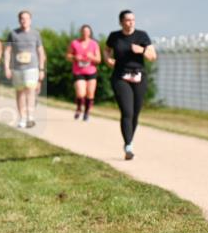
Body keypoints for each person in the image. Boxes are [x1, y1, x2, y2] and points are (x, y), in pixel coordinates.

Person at [104, 10, 156, 160]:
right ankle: (128, 146)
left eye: (133, 19)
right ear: (121, 22)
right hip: (120, 77)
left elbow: (153, 56)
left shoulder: (142, 36)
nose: (131, 22)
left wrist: (142, 50)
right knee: (127, 111)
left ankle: (129, 140)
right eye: (127, 20)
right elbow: (107, 50)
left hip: (139, 76)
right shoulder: (115, 36)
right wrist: (108, 59)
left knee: (135, 113)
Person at [3, 10, 46, 128]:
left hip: (32, 67)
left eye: (26, 18)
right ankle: (22, 117)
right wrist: (7, 67)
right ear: (19, 20)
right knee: (20, 92)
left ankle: (30, 116)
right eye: (22, 18)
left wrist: (41, 69)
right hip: (17, 68)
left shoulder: (36, 34)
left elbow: (41, 52)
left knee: (30, 89)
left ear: (30, 20)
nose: (24, 21)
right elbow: (7, 51)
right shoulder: (13, 34)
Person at [66, 24, 101, 121]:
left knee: (90, 94)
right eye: (83, 31)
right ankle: (78, 108)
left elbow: (98, 60)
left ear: (90, 33)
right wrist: (74, 57)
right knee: (81, 93)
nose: (85, 33)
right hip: (78, 71)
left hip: (91, 71)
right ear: (80, 32)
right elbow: (68, 56)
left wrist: (92, 57)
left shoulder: (94, 44)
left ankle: (86, 112)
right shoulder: (74, 43)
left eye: (87, 32)